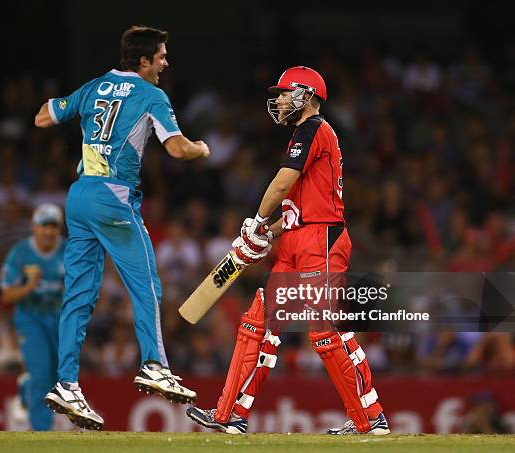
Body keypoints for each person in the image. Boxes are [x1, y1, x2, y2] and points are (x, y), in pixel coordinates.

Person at [187, 66, 389, 435]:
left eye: (284, 93)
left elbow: (281, 185)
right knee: (257, 325)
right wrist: (267, 231)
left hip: (321, 241)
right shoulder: (304, 133)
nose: (278, 100)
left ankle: (369, 417)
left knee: (325, 332)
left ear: (307, 96)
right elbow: (296, 211)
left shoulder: (314, 129)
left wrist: (256, 220)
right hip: (300, 240)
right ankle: (228, 414)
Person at [35, 25, 210, 430]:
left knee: (78, 295)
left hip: (78, 198)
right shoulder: (152, 95)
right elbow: (177, 148)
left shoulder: (95, 86)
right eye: (162, 56)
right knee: (146, 283)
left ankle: (66, 384)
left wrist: (70, 110)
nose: (166, 63)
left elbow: (44, 116)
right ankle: (154, 364)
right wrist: (202, 148)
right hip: (113, 198)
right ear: (144, 60)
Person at [0, 203, 66, 431]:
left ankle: (24, 387)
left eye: (53, 226)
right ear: (33, 227)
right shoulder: (21, 253)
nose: (49, 232)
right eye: (44, 226)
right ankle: (41, 432)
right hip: (31, 318)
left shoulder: (67, 251)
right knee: (40, 371)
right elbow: (7, 295)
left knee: (59, 374)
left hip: (59, 319)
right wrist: (29, 287)